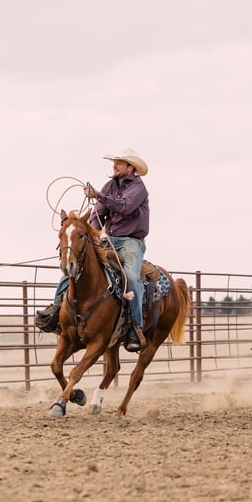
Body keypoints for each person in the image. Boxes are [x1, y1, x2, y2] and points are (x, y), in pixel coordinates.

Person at [35, 149, 149, 352]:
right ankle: (57, 309)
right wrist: (92, 232)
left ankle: (135, 326)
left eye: (119, 162)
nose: (114, 165)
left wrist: (98, 195)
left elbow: (125, 207)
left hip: (131, 242)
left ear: (130, 167)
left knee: (131, 277)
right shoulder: (110, 186)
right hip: (108, 238)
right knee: (76, 265)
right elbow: (98, 213)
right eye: (115, 162)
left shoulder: (138, 188)